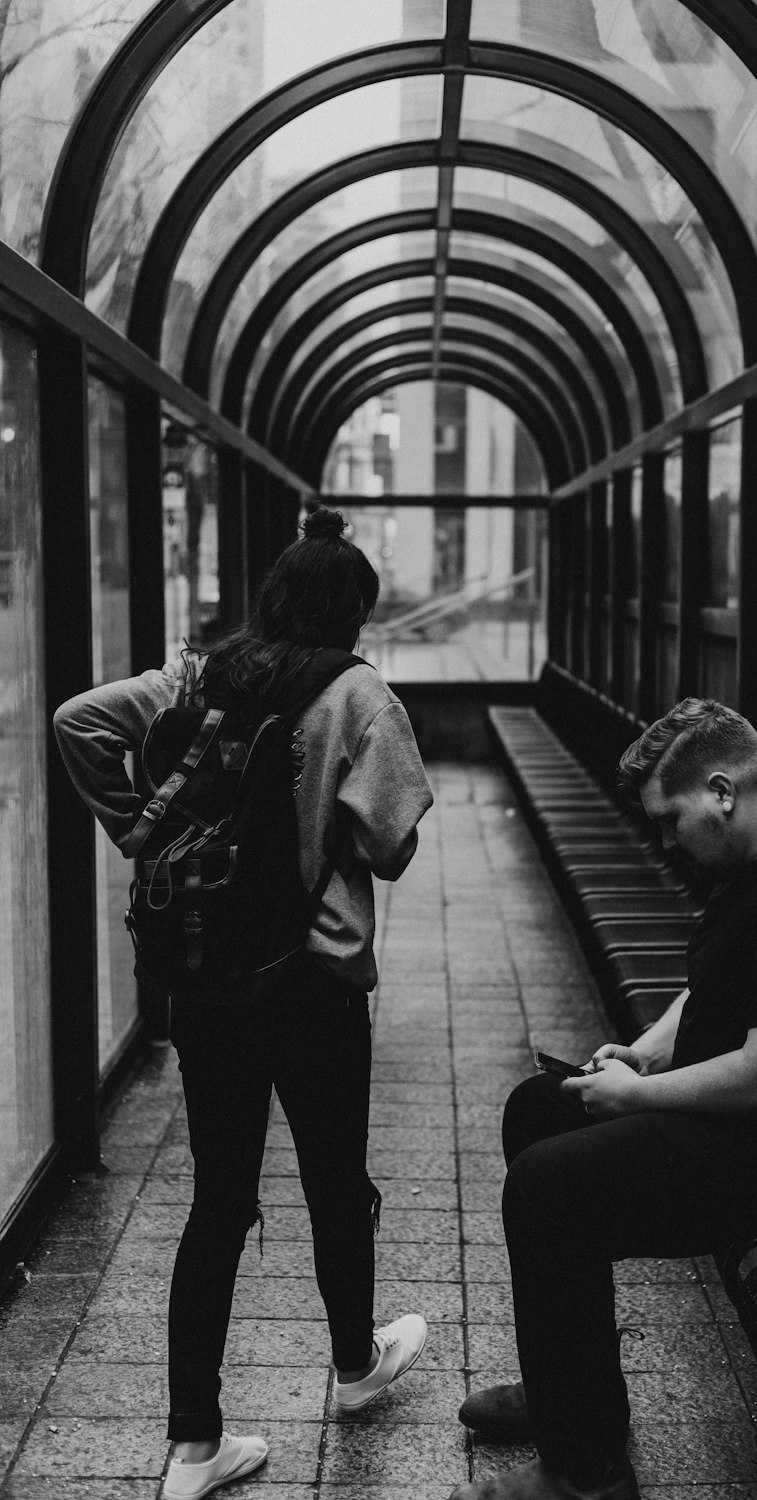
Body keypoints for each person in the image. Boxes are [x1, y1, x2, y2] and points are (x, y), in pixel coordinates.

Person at [451, 698, 757, 1500]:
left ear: (721, 790)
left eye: (670, 819)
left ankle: (585, 1474)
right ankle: (569, 1391)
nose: (664, 839)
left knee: (551, 1187)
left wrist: (639, 1102)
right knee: (538, 1108)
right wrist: (645, 1055)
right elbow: (714, 985)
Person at [54, 507, 433, 1500]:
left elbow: (77, 721)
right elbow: (392, 841)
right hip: (313, 978)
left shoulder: (197, 674)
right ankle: (354, 1368)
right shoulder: (358, 693)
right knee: (334, 1183)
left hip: (208, 978)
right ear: (351, 610)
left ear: (269, 597)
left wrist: (137, 828)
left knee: (219, 1203)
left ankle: (192, 1448)